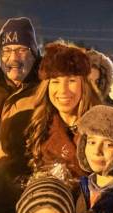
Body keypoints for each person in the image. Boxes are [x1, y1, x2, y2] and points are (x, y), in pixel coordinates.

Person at [0, 17, 42, 213]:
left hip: (27, 203)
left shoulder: (46, 91)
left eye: (21, 49)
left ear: (34, 53)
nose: (13, 58)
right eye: (6, 51)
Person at [24, 42, 101, 179]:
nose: (63, 91)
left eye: (71, 81)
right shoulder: (38, 126)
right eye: (55, 81)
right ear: (46, 86)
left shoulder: (103, 125)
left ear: (84, 85)